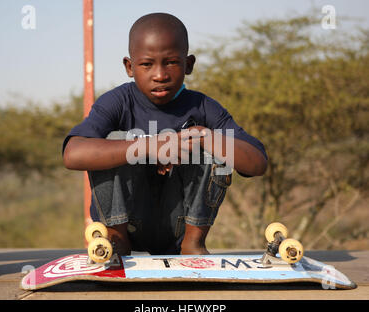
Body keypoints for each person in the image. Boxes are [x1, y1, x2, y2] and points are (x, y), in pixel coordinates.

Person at [62, 13, 267, 255]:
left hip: (180, 227)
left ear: (188, 64)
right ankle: (117, 242)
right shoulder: (117, 102)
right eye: (147, 64)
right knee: (114, 142)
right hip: (129, 225)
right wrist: (148, 146)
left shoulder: (202, 107)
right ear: (130, 67)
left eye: (170, 62)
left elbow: (257, 164)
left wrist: (204, 137)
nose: (160, 75)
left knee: (215, 143)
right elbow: (73, 154)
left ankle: (193, 244)